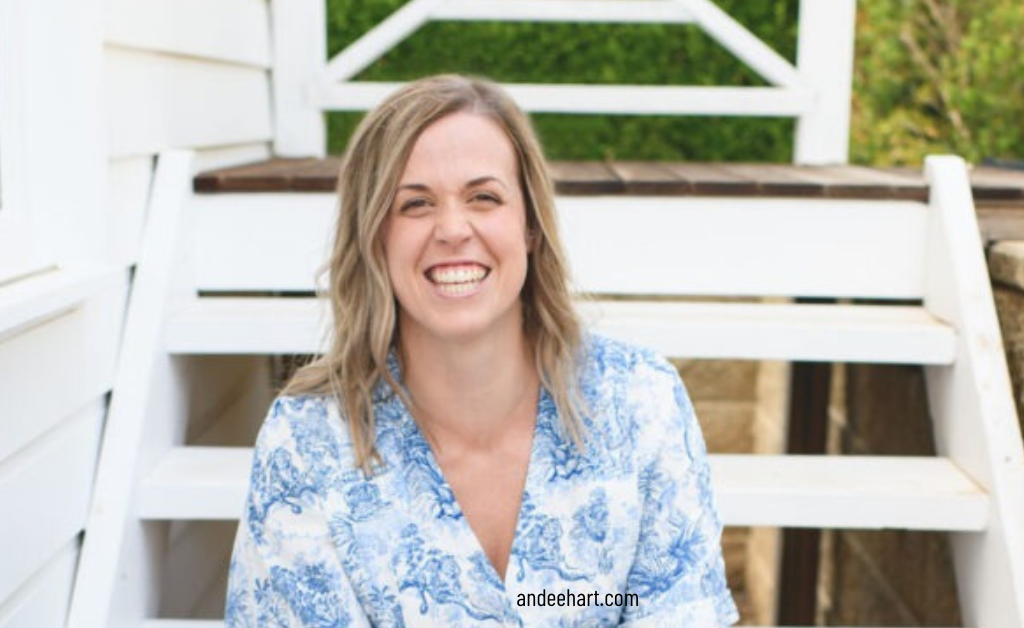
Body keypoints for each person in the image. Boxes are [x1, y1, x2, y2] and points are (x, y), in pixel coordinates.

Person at [224, 74, 738, 628]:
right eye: (415, 204)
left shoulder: (640, 401)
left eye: (484, 197)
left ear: (531, 226)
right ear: (375, 237)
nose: (452, 228)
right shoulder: (308, 441)